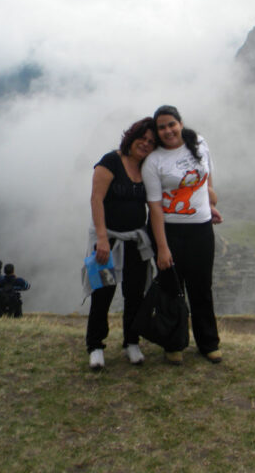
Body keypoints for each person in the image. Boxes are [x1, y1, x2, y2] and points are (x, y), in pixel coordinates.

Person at [142, 105, 223, 365]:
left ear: (180, 123)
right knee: (171, 289)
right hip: (170, 231)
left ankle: (208, 343)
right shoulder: (153, 162)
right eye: (162, 127)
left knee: (201, 288)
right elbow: (154, 207)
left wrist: (209, 204)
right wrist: (163, 248)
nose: (167, 131)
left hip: (201, 229)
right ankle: (173, 343)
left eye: (171, 124)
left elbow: (207, 178)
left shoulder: (198, 143)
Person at [83, 117, 158, 371]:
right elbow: (96, 199)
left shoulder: (147, 167)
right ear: (131, 136)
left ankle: (131, 341)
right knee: (102, 293)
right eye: (142, 138)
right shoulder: (110, 161)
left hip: (136, 241)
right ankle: (95, 345)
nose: (145, 144)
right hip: (108, 240)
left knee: (135, 294)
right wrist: (102, 239)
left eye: (151, 141)